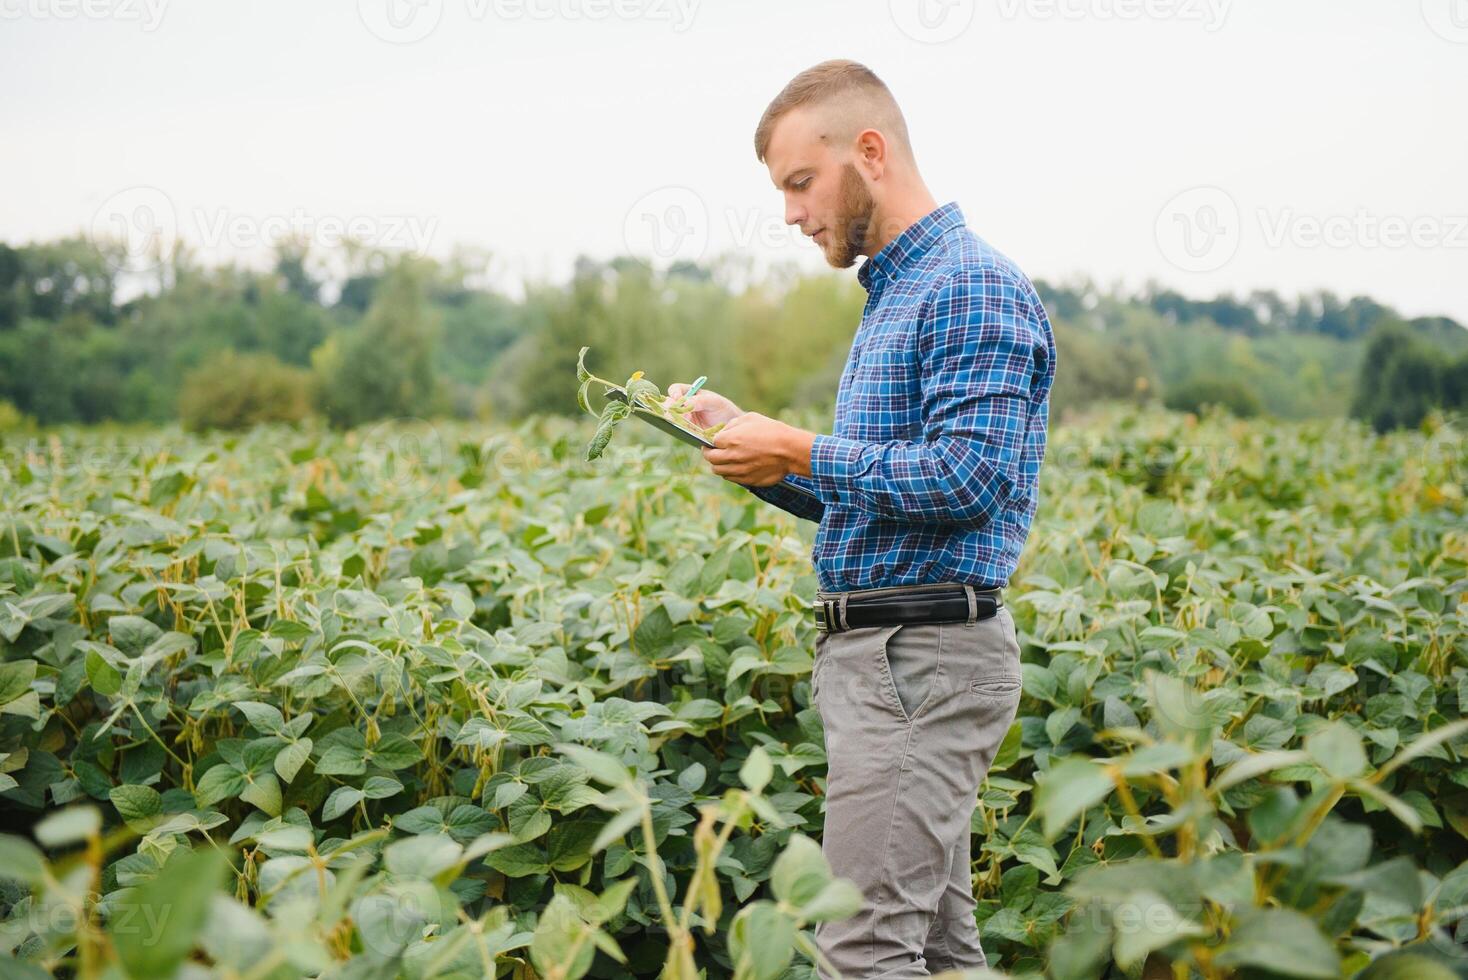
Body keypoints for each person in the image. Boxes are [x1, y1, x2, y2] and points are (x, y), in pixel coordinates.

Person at [663, 59, 1056, 978]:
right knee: (941, 954)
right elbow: (886, 500)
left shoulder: (967, 286)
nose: (792, 214)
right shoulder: (900, 293)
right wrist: (749, 451)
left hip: (920, 662)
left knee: (864, 949)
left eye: (802, 183)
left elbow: (970, 479)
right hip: (896, 657)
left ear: (869, 152)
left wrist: (798, 446)